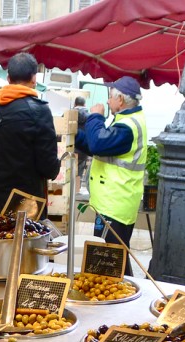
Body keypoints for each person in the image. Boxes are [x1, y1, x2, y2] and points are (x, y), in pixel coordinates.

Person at [75, 76, 147, 275]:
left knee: (107, 261)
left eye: (110, 97)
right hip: (114, 201)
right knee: (116, 257)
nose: (107, 101)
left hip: (115, 204)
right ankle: (129, 293)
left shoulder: (128, 127)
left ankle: (119, 300)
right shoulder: (126, 121)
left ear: (120, 100)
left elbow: (99, 144)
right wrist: (75, 134)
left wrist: (95, 117)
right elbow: (99, 147)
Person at [0, 52, 60, 218]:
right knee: (25, 243)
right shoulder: (39, 111)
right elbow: (48, 166)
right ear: (34, 78)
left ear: (8, 78)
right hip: (26, 205)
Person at [73, 95, 90, 195]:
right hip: (84, 150)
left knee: (69, 172)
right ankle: (76, 192)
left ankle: (68, 193)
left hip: (71, 149)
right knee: (79, 171)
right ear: (84, 104)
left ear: (75, 103)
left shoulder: (68, 114)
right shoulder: (89, 116)